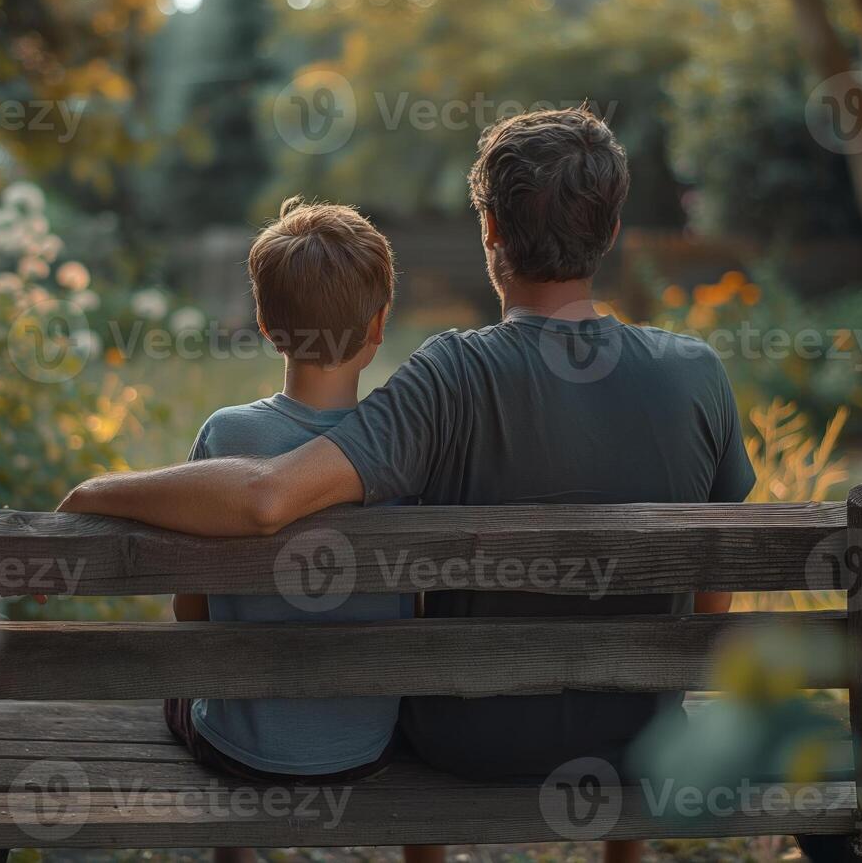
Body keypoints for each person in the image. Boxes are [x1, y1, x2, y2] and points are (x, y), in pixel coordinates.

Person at [61, 107, 756, 863]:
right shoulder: (697, 374)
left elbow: (267, 496)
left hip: (472, 737)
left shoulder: (450, 377)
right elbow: (709, 592)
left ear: (489, 231)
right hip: (639, 735)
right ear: (612, 231)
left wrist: (99, 489)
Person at [159, 197, 415, 863]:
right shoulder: (402, 449)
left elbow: (192, 609)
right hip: (368, 746)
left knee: (182, 694)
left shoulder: (228, 435)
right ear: (379, 324)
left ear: (268, 327)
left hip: (242, 748)